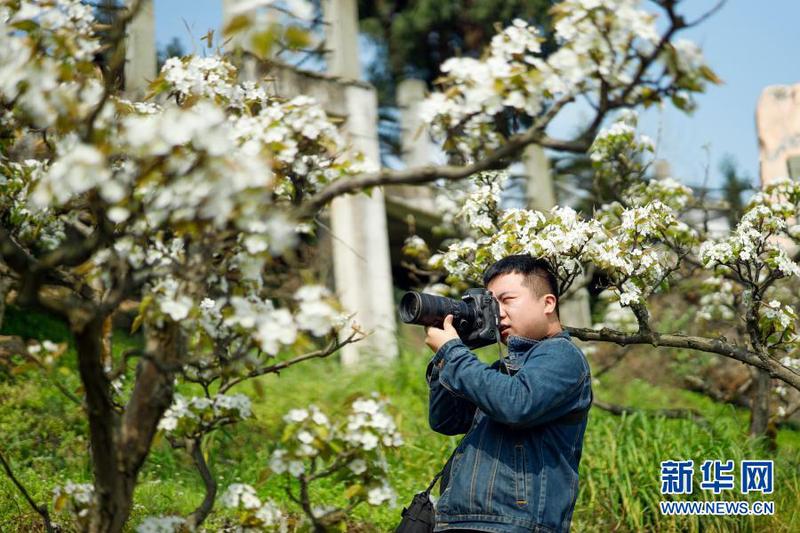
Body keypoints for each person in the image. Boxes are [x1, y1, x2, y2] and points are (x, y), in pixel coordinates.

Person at [424, 254, 592, 533]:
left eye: (507, 299)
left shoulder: (563, 355)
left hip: (516, 524)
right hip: (461, 521)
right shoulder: (499, 371)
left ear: (548, 303)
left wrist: (452, 353)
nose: (497, 313)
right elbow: (445, 420)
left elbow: (516, 404)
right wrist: (449, 354)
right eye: (491, 304)